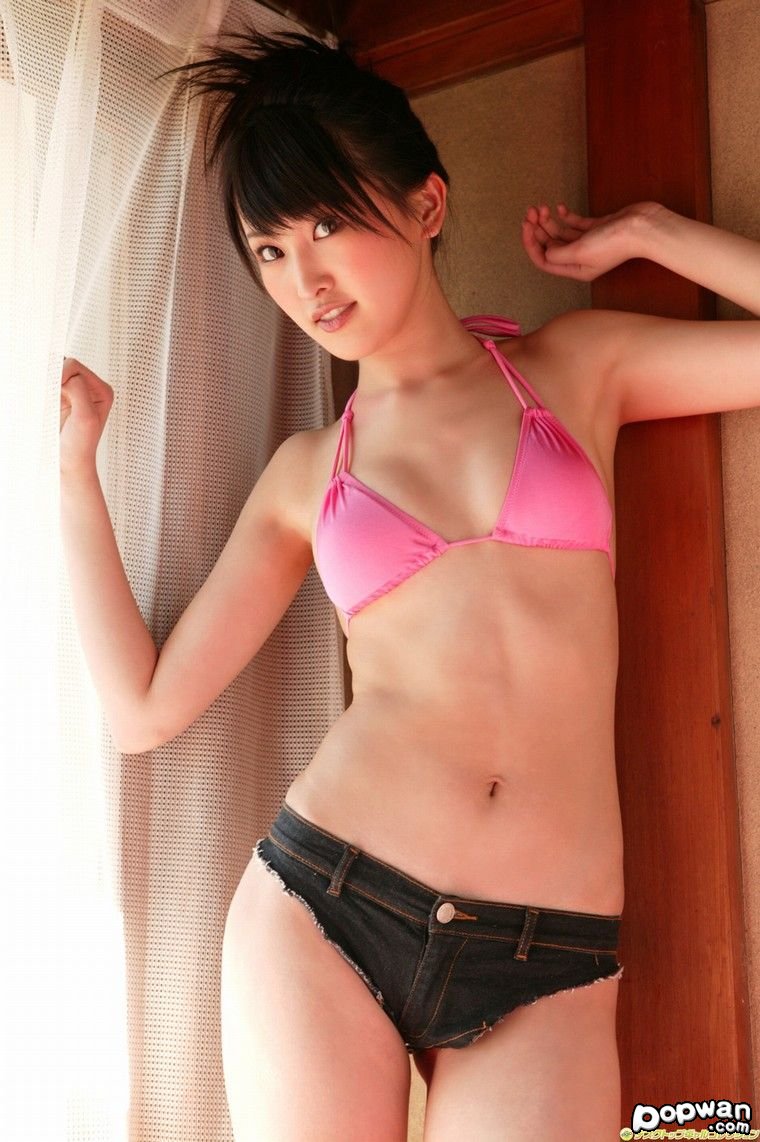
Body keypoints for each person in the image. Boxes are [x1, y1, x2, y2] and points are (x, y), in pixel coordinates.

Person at [59, 25, 760, 1142]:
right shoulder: (307, 474)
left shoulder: (577, 369)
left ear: (426, 204)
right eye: (269, 249)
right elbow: (143, 707)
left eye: (326, 223)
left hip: (549, 953)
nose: (304, 279)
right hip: (327, 907)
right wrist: (72, 473)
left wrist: (650, 232)